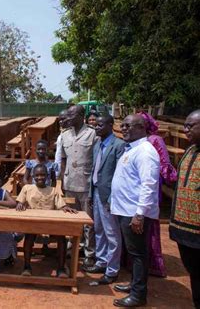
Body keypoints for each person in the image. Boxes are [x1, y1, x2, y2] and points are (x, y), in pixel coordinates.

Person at [111, 114, 160, 307]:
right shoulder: (133, 148)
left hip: (135, 213)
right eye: (122, 125)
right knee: (133, 252)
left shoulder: (146, 151)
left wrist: (140, 214)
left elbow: (149, 185)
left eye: (128, 126)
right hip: (125, 210)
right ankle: (134, 284)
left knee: (139, 254)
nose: (123, 128)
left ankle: (139, 294)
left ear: (141, 127)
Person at [84, 115, 125, 286]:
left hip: (109, 197)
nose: (97, 127)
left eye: (101, 125)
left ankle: (112, 269)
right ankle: (101, 262)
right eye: (96, 125)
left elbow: (119, 175)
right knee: (99, 230)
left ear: (110, 125)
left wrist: (111, 198)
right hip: (97, 194)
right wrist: (92, 194)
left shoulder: (118, 146)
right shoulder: (97, 145)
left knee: (112, 234)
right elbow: (96, 172)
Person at [16, 164, 77, 277]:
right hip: (34, 222)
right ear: (33, 176)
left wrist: (65, 207)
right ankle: (27, 266)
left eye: (43, 175)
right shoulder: (27, 188)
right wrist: (20, 204)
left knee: (61, 238)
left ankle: (61, 268)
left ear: (47, 176)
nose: (40, 177)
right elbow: (20, 202)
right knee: (29, 237)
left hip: (50, 223)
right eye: (37, 175)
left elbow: (60, 205)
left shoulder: (53, 190)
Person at [136, 111, 176, 277]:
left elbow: (165, 165)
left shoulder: (155, 140)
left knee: (149, 225)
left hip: (150, 186)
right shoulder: (136, 140)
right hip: (135, 188)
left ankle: (152, 264)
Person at [169, 109, 200, 308]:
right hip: (184, 230)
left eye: (191, 126)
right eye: (186, 125)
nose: (185, 129)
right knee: (195, 272)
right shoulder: (190, 151)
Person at [58, 104, 97, 267]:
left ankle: (89, 253)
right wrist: (60, 181)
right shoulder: (65, 135)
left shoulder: (93, 134)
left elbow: (97, 161)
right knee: (71, 218)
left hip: (86, 183)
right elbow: (62, 160)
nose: (68, 117)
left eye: (72, 115)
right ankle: (72, 247)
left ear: (81, 116)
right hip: (69, 183)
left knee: (88, 221)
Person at [54, 109, 70, 178]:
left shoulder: (74, 135)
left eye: (63, 119)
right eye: (59, 119)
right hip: (64, 171)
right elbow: (58, 156)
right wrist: (56, 173)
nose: (60, 122)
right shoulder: (61, 136)